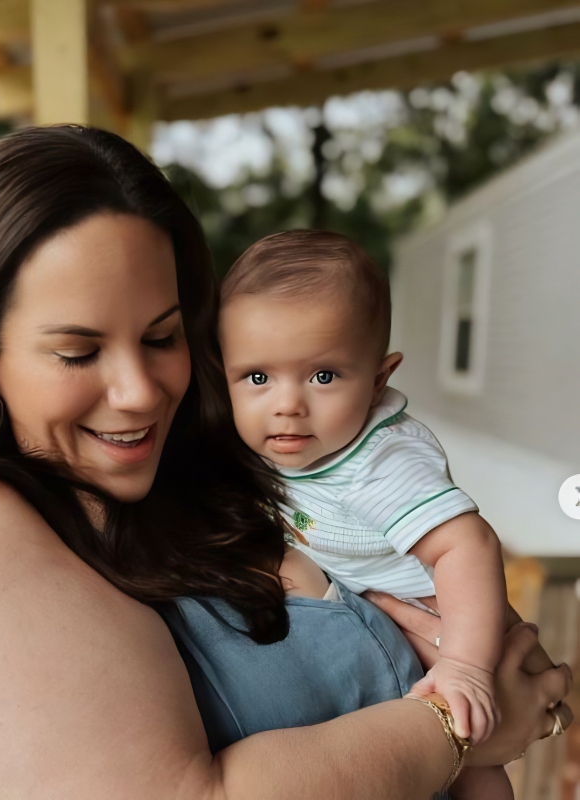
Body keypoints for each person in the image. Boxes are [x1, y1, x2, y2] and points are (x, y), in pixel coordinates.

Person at [0, 126, 571, 799]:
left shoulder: (210, 473)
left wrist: (472, 650)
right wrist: (459, 722)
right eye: (79, 352)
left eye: (161, 337)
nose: (141, 391)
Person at [218, 229, 557, 796]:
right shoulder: (285, 448)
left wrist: (467, 667)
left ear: (378, 378)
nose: (287, 404)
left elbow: (465, 546)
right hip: (395, 627)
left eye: (323, 376)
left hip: (455, 618)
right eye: (257, 377)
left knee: (478, 766)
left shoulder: (378, 461)